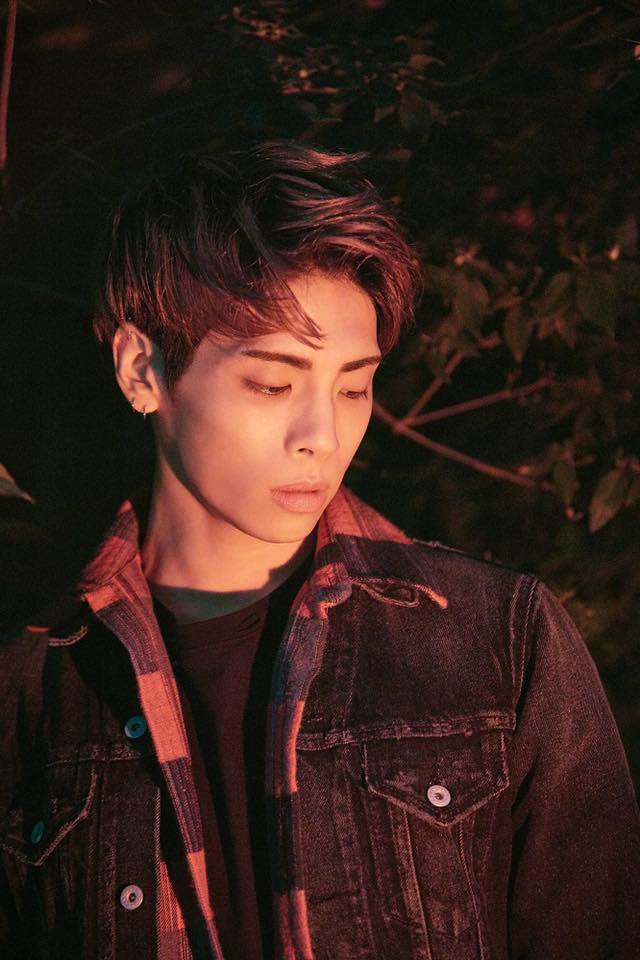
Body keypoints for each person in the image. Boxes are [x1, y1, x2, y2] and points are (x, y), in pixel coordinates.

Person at [0, 142, 638, 960]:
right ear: (141, 370)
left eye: (353, 385)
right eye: (273, 383)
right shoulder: (27, 689)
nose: (324, 434)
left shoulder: (502, 642)